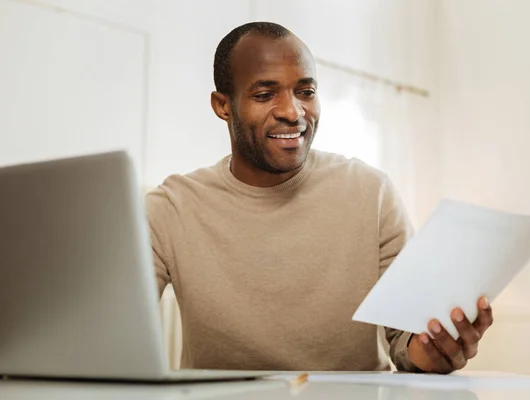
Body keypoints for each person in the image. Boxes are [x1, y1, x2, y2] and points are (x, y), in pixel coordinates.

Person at [146, 21, 493, 374]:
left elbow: (406, 342)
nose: (293, 112)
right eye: (265, 95)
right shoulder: (170, 208)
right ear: (223, 105)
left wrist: (433, 352)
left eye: (306, 92)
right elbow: (110, 336)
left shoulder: (372, 193)